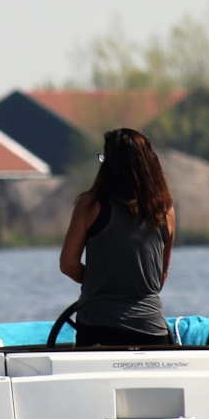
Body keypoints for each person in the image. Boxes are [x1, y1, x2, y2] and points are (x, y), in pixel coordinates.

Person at [58, 128, 176, 347]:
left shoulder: (89, 205)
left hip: (98, 329)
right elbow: (161, 275)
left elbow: (68, 264)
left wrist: (100, 282)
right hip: (152, 331)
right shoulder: (165, 210)